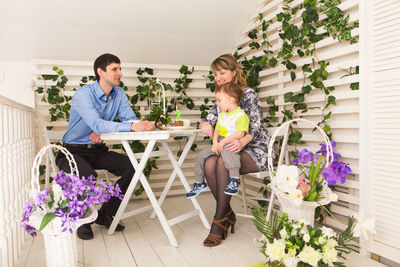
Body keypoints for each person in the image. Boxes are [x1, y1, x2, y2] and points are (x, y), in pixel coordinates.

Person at [56, 53, 155, 240]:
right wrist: (110, 128)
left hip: (97, 150)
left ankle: (104, 214)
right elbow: (97, 123)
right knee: (87, 175)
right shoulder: (83, 94)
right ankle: (83, 219)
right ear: (100, 72)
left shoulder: (119, 94)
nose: (120, 73)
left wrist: (143, 123)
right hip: (72, 151)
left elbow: (129, 119)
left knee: (133, 168)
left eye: (120, 68)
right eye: (115, 69)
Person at [200, 54, 273, 247]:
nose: (218, 77)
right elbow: (210, 117)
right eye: (215, 74)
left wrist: (243, 141)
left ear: (234, 71)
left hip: (256, 147)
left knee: (223, 162)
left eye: (222, 72)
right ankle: (227, 214)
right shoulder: (221, 94)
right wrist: (205, 123)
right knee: (209, 162)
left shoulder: (247, 93)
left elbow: (256, 125)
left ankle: (218, 221)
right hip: (232, 147)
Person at [187, 82, 249, 198]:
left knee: (228, 151)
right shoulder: (222, 115)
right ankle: (199, 182)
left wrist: (223, 142)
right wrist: (215, 142)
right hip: (221, 142)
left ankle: (234, 180)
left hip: (233, 143)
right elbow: (217, 130)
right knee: (201, 155)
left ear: (231, 100)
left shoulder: (241, 115)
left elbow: (240, 133)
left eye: (219, 100)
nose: (217, 103)